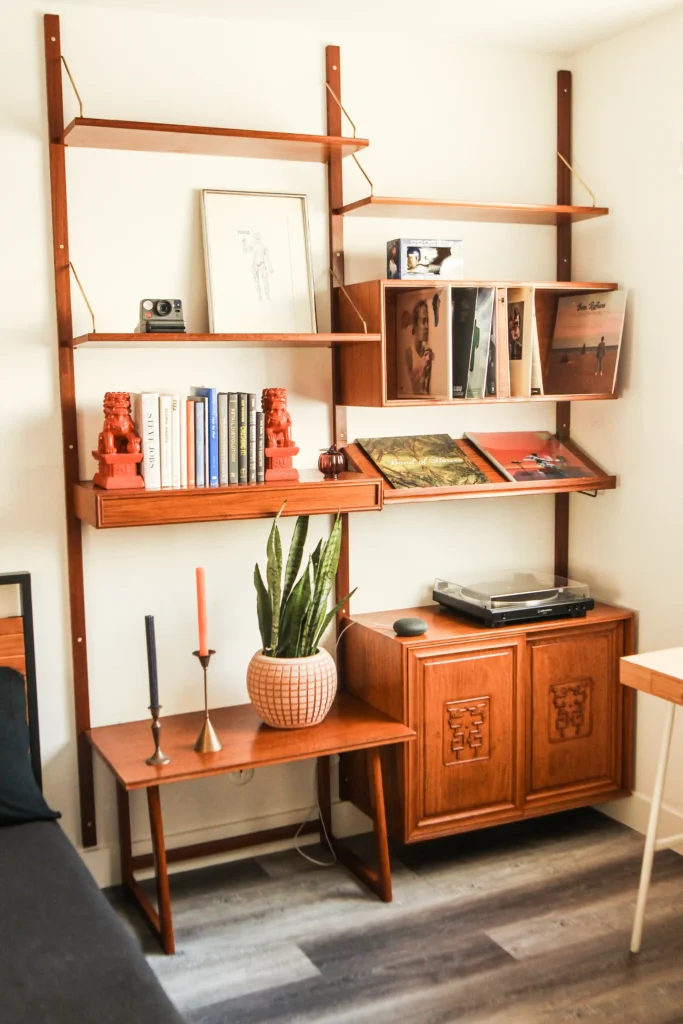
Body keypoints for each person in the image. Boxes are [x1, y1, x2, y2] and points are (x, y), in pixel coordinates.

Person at [404, 299, 434, 394]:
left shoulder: (428, 353)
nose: (426, 326)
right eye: (423, 321)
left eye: (427, 322)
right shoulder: (407, 353)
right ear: (415, 325)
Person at [242, 232, 273, 301]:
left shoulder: (264, 246)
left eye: (258, 235)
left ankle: (267, 296)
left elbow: (268, 258)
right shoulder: (252, 245)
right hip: (255, 265)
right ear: (254, 236)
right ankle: (260, 297)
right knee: (256, 281)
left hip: (262, 264)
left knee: (265, 281)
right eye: (256, 235)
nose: (257, 236)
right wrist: (243, 243)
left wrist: (270, 267)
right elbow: (245, 251)